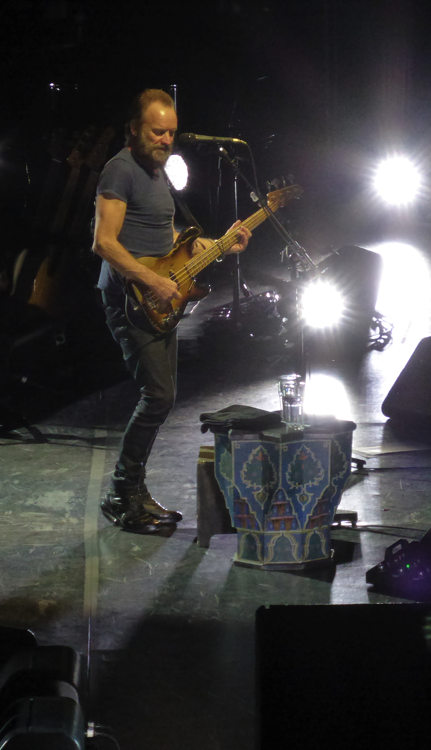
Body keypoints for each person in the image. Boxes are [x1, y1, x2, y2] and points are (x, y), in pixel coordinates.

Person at [92, 88, 252, 533]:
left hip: (160, 296)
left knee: (162, 397)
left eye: (171, 133)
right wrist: (152, 281)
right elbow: (104, 242)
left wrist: (221, 244)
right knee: (158, 396)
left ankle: (132, 490)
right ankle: (121, 493)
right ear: (134, 129)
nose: (165, 140)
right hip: (131, 298)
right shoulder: (119, 170)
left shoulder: (160, 173)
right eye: (156, 131)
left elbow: (171, 242)